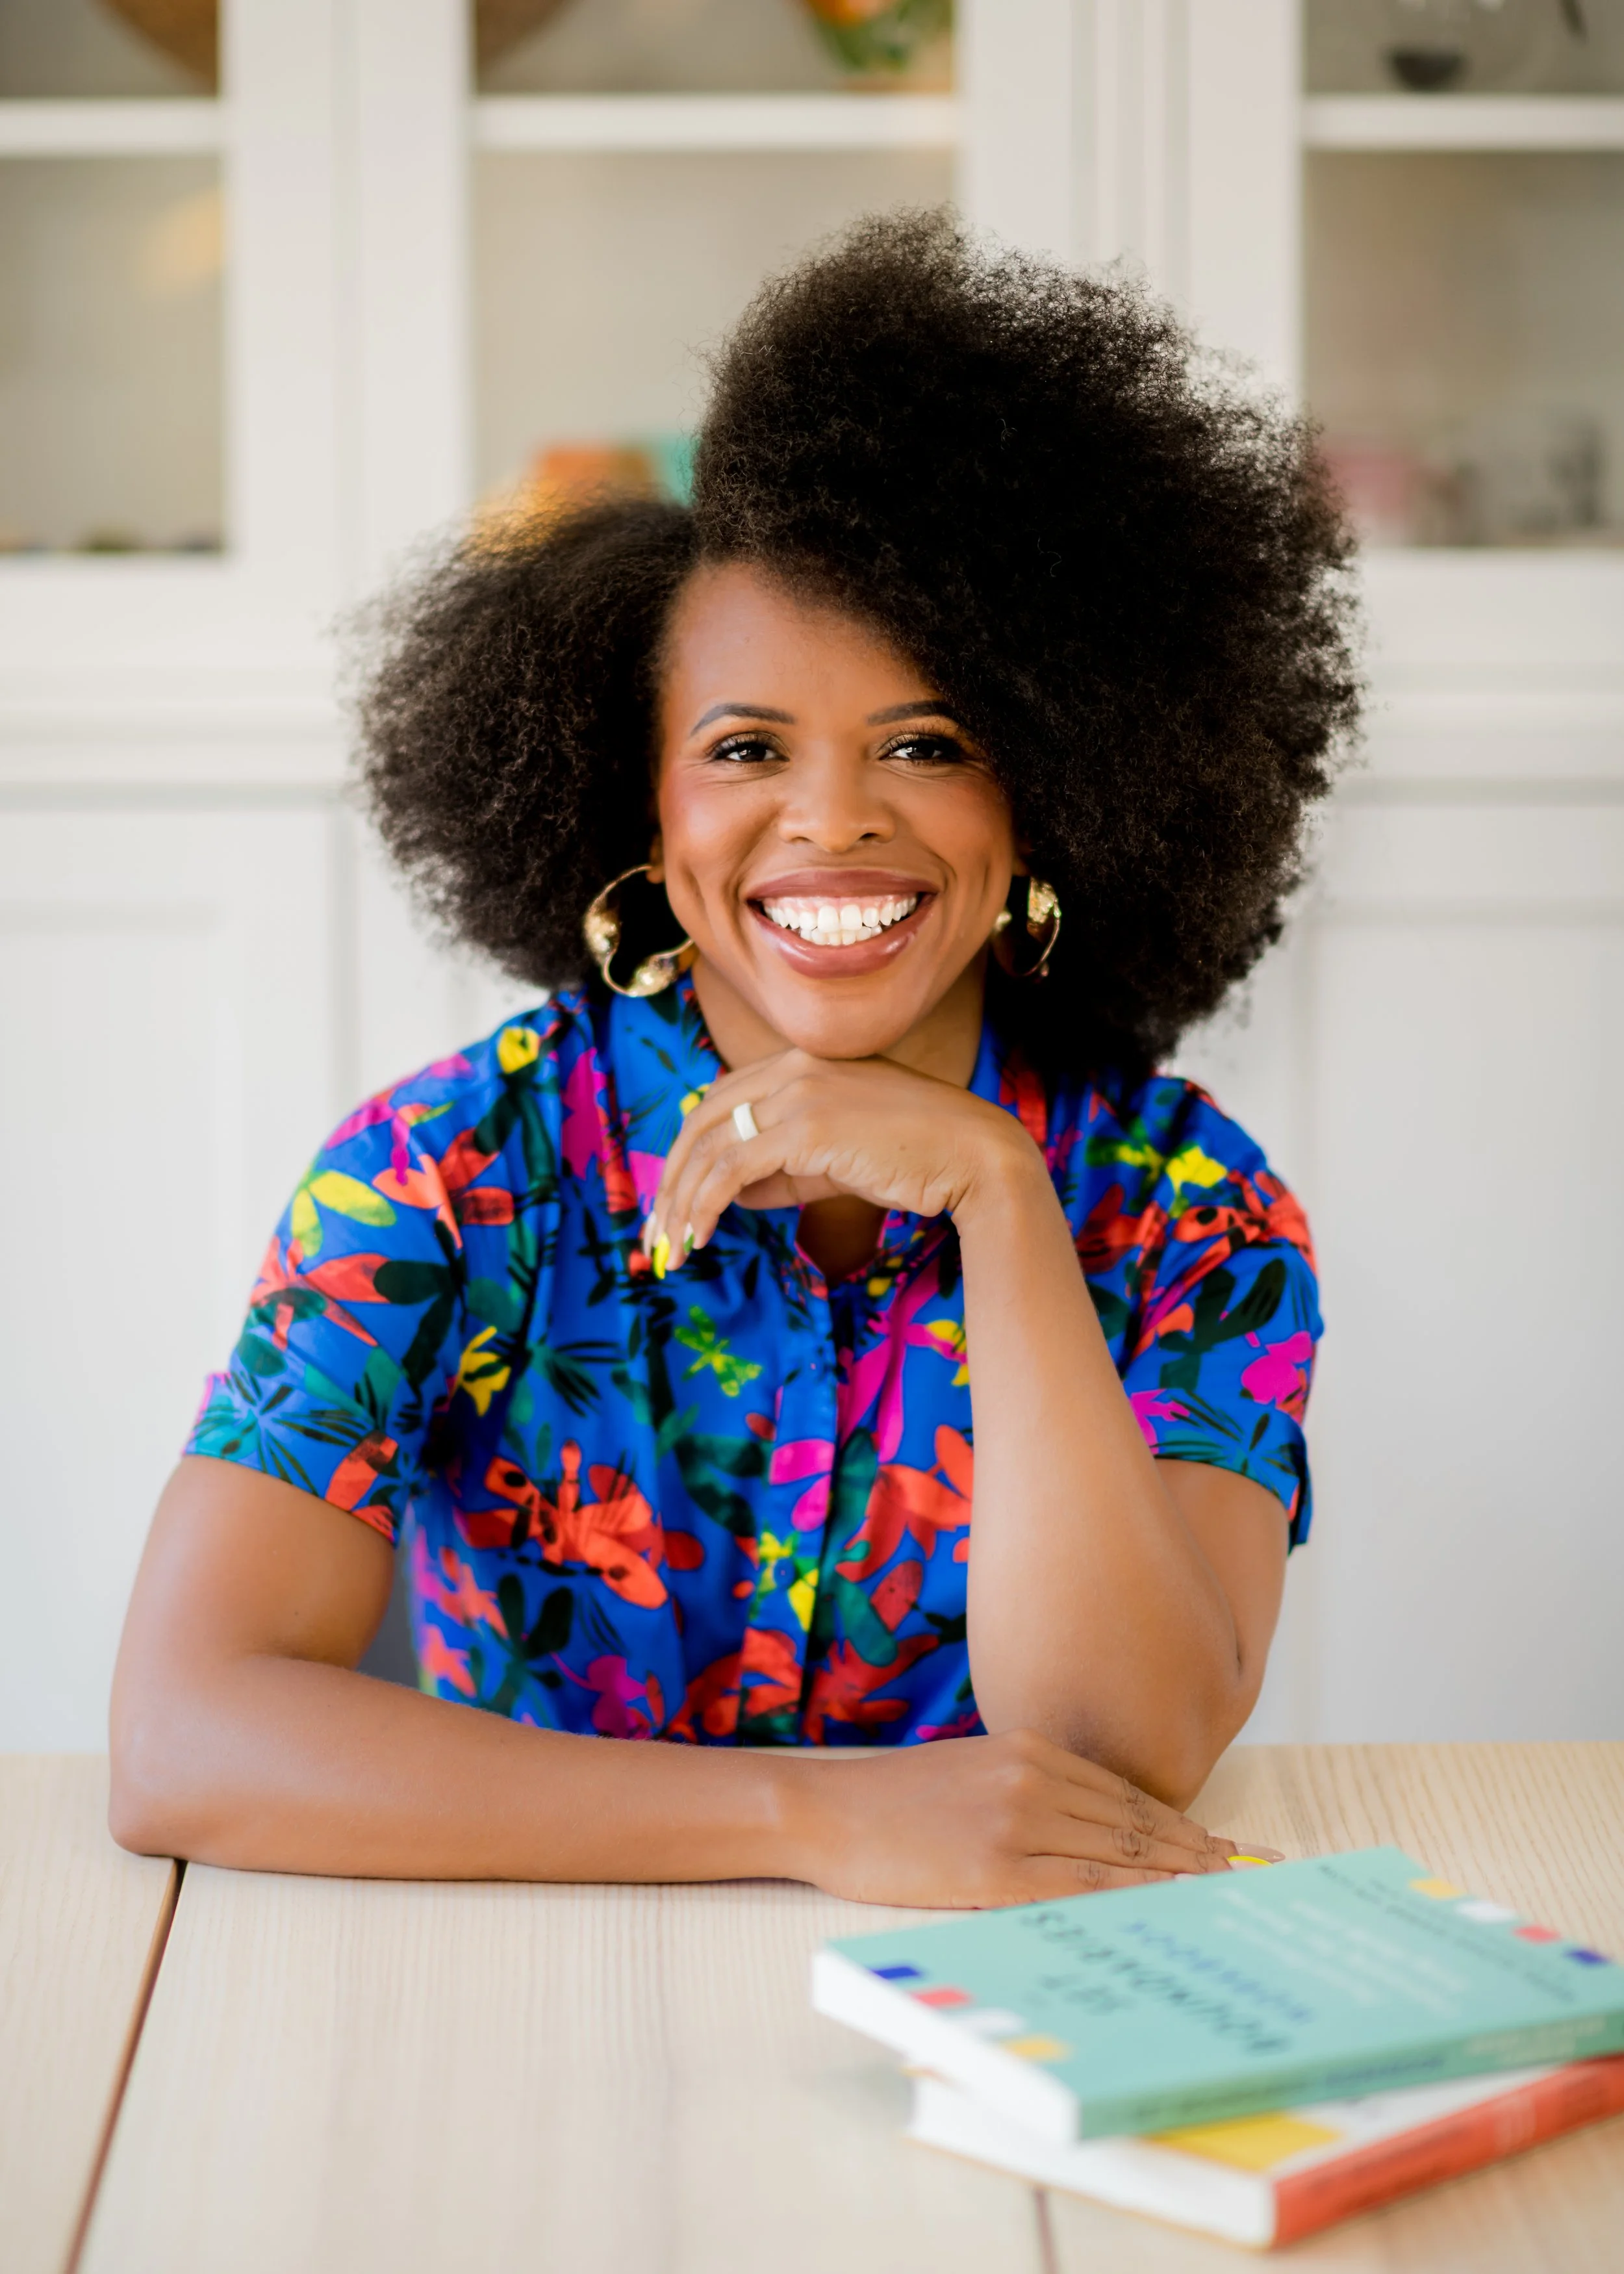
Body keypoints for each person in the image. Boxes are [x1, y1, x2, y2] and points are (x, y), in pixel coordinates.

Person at [110, 213, 1356, 1908]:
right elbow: (182, 1733)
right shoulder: (452, 1171)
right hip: (508, 2002)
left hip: (1007, 2021)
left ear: (1053, 791)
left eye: (927, 743)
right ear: (644, 805)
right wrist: (807, 1820)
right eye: (743, 746)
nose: (832, 816)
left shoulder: (1183, 1210)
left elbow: (1119, 1763)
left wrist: (996, 1196)